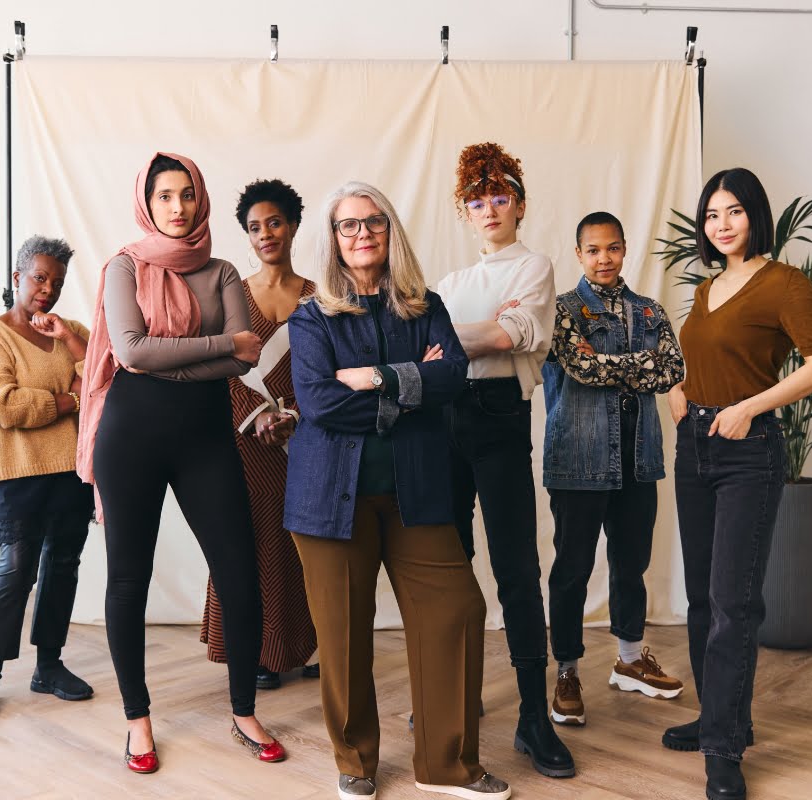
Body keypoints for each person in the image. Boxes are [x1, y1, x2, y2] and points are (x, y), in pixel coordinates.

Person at [286, 181, 511, 800]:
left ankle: (447, 766)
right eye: (349, 226)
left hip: (418, 490)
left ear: (391, 230)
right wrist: (410, 388)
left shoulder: (424, 303)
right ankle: (355, 764)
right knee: (344, 633)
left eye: (374, 223)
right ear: (332, 240)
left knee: (457, 612)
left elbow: (454, 377)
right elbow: (320, 402)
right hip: (330, 497)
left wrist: (375, 378)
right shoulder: (310, 316)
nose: (363, 235)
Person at [76, 152, 285, 773]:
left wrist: (183, 357)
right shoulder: (123, 266)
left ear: (201, 200)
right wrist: (219, 345)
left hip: (204, 437)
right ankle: (137, 721)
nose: (178, 207)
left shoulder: (221, 270)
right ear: (147, 201)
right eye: (164, 196)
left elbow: (245, 364)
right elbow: (136, 353)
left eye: (187, 194)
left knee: (239, 571)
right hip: (131, 435)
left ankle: (244, 711)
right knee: (127, 579)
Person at [663, 168, 812, 800]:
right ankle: (718, 718)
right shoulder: (708, 288)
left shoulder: (784, 284)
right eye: (712, 214)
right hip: (694, 448)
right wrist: (677, 390)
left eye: (734, 211)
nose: (722, 224)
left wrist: (751, 408)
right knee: (703, 600)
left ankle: (724, 748)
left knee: (734, 603)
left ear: (755, 216)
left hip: (747, 451)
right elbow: (698, 358)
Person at [436, 142, 574, 779]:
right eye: (476, 200)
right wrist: (459, 340)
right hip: (443, 420)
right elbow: (472, 339)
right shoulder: (451, 284)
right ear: (464, 213)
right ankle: (454, 701)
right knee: (450, 563)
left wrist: (441, 342)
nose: (488, 209)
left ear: (518, 204)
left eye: (499, 197)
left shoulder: (535, 266)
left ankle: (532, 716)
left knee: (516, 565)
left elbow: (509, 336)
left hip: (499, 417)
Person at [541, 212, 686, 730]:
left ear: (625, 250)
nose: (604, 259)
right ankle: (567, 671)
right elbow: (578, 367)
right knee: (573, 569)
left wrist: (616, 367)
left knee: (632, 563)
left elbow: (672, 369)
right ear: (579, 254)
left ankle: (629, 658)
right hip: (578, 461)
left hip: (639, 459)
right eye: (593, 250)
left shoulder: (649, 310)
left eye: (613, 248)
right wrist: (638, 366)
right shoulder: (561, 310)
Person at [0, 235, 94, 722]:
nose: (47, 289)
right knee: (17, 571)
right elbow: (3, 404)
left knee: (63, 565)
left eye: (56, 282)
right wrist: (69, 398)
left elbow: (102, 377)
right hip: (17, 473)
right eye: (39, 278)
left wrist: (70, 352)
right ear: (17, 277)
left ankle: (49, 667)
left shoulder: (71, 329)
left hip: (73, 470)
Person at [200, 178, 318, 690]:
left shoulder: (319, 297)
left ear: (292, 226)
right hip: (243, 439)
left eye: (274, 223)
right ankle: (255, 650)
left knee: (303, 543)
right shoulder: (232, 294)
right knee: (246, 541)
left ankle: (303, 645)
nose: (265, 234)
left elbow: (330, 370)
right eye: (254, 228)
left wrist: (294, 417)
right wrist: (258, 415)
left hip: (303, 439)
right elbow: (217, 366)